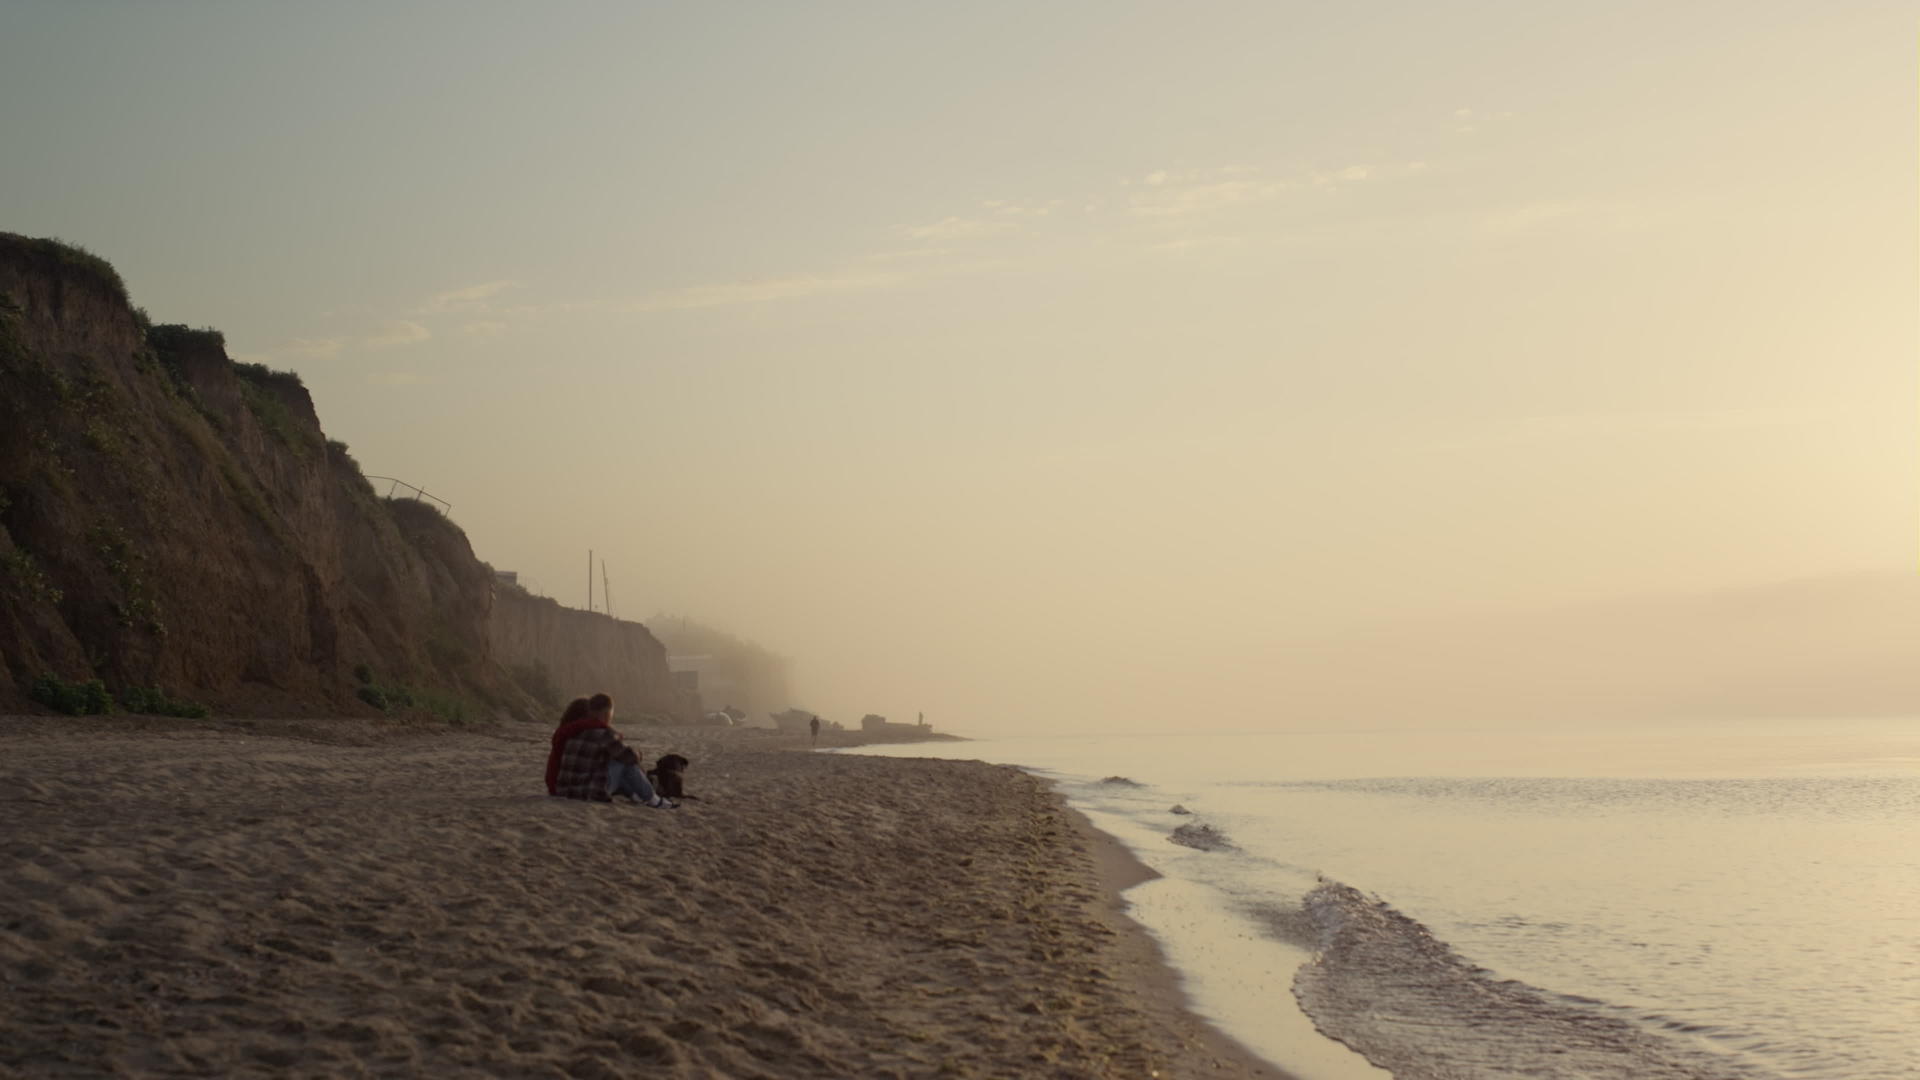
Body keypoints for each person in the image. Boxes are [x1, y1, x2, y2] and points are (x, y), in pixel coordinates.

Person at [548, 693, 677, 808]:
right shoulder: (603, 733)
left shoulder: (572, 731)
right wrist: (637, 753)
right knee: (624, 764)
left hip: (564, 790)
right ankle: (652, 799)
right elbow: (629, 758)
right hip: (587, 793)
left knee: (617, 768)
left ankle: (635, 795)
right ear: (606, 713)